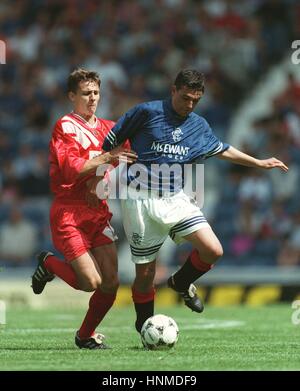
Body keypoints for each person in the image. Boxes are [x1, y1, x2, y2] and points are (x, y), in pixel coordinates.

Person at [102, 69, 288, 333]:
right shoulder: (145, 112)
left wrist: (258, 162)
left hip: (175, 198)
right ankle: (145, 326)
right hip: (139, 199)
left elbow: (222, 149)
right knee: (145, 275)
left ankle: (180, 282)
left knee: (213, 250)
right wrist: (110, 161)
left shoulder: (198, 125)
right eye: (186, 98)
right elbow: (108, 142)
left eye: (195, 100)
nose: (189, 105)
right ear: (173, 90)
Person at [31, 68, 137, 349]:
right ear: (72, 96)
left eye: (96, 93)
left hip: (98, 210)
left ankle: (84, 336)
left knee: (111, 283)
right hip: (69, 211)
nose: (92, 98)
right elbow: (71, 169)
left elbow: (127, 154)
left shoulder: (108, 128)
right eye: (86, 93)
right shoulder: (65, 126)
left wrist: (100, 178)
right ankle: (49, 263)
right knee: (90, 282)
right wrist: (107, 158)